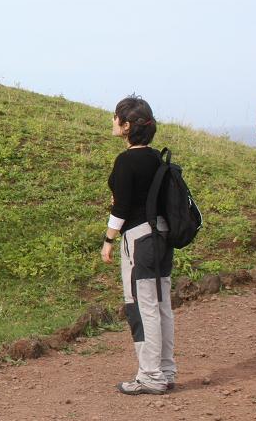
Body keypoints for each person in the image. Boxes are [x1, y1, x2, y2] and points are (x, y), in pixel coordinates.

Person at [100, 95, 175, 395]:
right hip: (162, 237)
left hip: (139, 240)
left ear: (127, 126)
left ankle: (150, 377)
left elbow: (121, 209)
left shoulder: (126, 161)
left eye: (116, 117)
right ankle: (165, 371)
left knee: (142, 309)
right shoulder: (157, 157)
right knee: (161, 306)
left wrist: (108, 240)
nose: (113, 121)